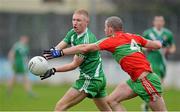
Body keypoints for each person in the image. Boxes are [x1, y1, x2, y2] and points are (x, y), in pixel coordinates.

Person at [43, 16, 167, 111]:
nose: (104, 29)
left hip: (146, 81)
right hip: (135, 80)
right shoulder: (134, 36)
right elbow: (156, 45)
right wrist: (161, 41)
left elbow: (84, 47)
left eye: (105, 27)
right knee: (112, 100)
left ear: (110, 29)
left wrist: (59, 53)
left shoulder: (112, 40)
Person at [43, 9, 111, 111]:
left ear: (86, 22)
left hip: (90, 79)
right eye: (73, 19)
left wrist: (53, 70)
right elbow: (57, 48)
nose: (75, 22)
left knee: (60, 107)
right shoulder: (72, 33)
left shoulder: (87, 40)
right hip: (99, 78)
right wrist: (43, 59)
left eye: (78, 20)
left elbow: (74, 64)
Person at [142, 16, 176, 111]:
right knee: (157, 84)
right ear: (153, 22)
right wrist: (147, 48)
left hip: (163, 62)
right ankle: (157, 107)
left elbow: (173, 47)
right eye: (157, 21)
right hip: (152, 61)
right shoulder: (148, 33)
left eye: (161, 21)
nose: (159, 23)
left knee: (160, 86)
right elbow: (141, 46)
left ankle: (147, 104)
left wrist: (169, 50)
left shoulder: (168, 34)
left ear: (163, 22)